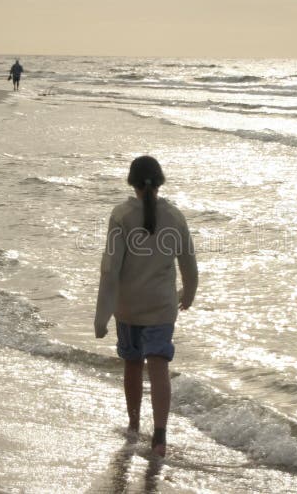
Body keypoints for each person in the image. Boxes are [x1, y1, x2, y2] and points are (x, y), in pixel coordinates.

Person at [94, 156, 198, 457]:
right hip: (162, 306)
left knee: (132, 364)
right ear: (160, 181)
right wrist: (189, 292)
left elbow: (110, 270)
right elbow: (188, 262)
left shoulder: (122, 215)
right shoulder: (175, 216)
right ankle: (161, 436)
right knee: (159, 367)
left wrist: (101, 317)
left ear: (132, 182)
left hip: (128, 307)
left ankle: (134, 425)